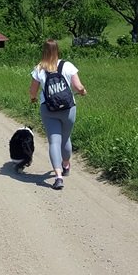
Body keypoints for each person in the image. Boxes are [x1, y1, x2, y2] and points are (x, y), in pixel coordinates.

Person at [29, 38, 87, 190]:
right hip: (68, 108)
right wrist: (82, 91)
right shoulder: (67, 65)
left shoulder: (39, 69)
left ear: (44, 51)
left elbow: (33, 91)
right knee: (66, 138)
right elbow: (78, 86)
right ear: (57, 50)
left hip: (48, 109)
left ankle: (58, 177)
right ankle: (66, 165)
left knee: (54, 141)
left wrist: (33, 98)